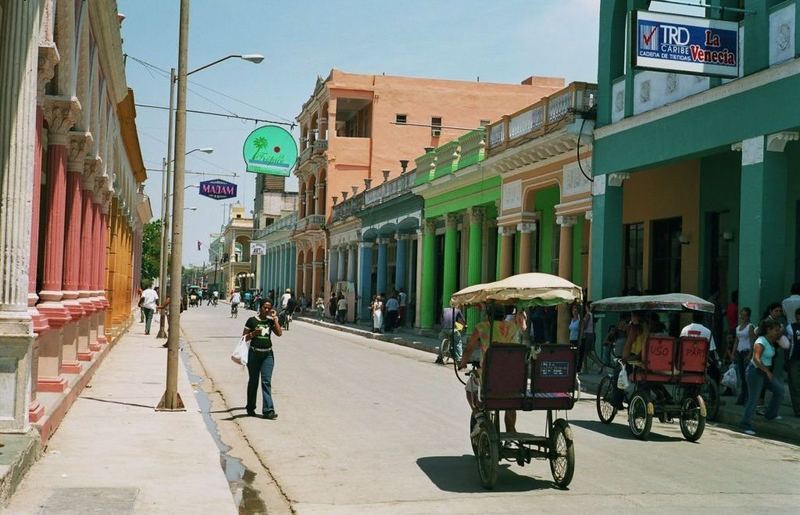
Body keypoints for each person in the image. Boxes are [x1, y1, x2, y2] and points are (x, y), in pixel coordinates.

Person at [459, 305, 526, 432]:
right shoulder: (513, 327)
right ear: (504, 315)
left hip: (490, 376)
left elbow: (469, 349)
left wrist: (463, 362)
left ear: (488, 315)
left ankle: (478, 415)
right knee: (511, 402)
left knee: (469, 388)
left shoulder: (482, 327)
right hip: (511, 375)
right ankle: (511, 430)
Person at [740, 318, 785, 435]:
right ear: (768, 330)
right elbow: (756, 359)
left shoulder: (771, 341)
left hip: (764, 373)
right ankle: (745, 424)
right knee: (753, 399)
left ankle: (770, 414)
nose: (777, 332)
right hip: (755, 372)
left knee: (779, 390)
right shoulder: (761, 341)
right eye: (775, 330)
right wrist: (767, 371)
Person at [243, 300, 283, 419]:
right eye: (265, 308)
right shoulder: (251, 320)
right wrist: (253, 334)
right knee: (253, 381)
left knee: (266, 382)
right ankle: (250, 407)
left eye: (269, 308)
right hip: (254, 355)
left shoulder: (270, 321)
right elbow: (244, 338)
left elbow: (279, 333)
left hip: (268, 355)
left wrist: (275, 319)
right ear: (260, 308)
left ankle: (268, 410)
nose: (267, 310)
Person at [734, 307, 756, 406]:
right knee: (742, 376)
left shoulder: (750, 326)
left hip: (746, 351)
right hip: (739, 352)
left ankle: (747, 398)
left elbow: (752, 341)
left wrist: (750, 353)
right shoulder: (738, 328)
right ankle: (742, 396)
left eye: (745, 315)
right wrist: (733, 352)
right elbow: (736, 341)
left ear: (748, 316)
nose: (742, 316)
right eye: (741, 314)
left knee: (747, 377)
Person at [787, 307, 800, 417]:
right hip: (794, 359)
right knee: (795, 384)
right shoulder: (791, 327)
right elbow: (787, 345)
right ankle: (798, 409)